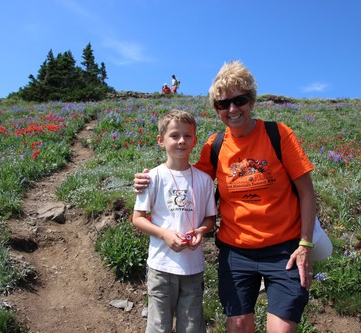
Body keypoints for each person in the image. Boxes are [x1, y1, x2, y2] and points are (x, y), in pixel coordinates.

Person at [134, 61, 316, 333]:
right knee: (239, 325)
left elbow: (307, 192)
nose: (232, 109)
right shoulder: (215, 145)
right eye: (223, 104)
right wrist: (148, 178)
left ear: (251, 100)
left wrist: (305, 245)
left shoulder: (278, 134)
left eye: (239, 100)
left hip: (284, 250)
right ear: (216, 109)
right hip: (236, 251)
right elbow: (189, 179)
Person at [132, 109, 217, 333]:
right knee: (159, 326)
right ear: (161, 141)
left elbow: (210, 218)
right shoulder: (152, 178)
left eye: (187, 136)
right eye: (174, 135)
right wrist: (165, 234)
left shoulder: (205, 180)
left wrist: (201, 230)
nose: (181, 141)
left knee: (191, 327)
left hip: (193, 268)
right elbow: (138, 218)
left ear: (195, 140)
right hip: (161, 266)